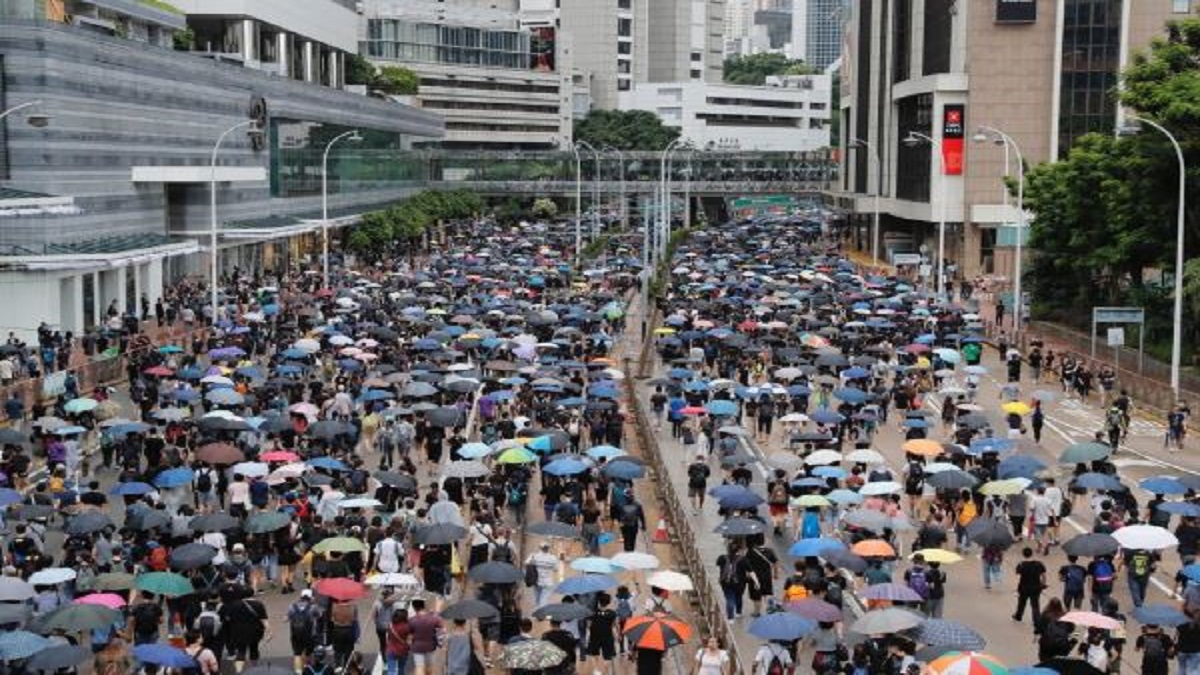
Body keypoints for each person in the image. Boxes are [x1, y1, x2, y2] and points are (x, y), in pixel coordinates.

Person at [287, 589, 322, 672]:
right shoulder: (313, 607)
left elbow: (287, 618)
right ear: (310, 597)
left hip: (295, 633)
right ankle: (307, 669)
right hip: (310, 634)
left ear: (301, 596)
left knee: (297, 654)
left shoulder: (292, 606)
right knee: (308, 653)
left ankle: (298, 671)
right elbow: (319, 615)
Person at [407, 598, 443, 675]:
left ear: (414, 608)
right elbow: (440, 625)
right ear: (424, 606)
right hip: (430, 646)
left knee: (419, 666)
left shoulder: (411, 620)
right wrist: (437, 610)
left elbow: (409, 635)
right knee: (429, 666)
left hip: (417, 647)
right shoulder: (433, 618)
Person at [1013, 546, 1047, 625]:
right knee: (1035, 604)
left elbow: (1017, 575)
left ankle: (1018, 617)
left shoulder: (1021, 564)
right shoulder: (1039, 564)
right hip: (1036, 587)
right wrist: (1043, 584)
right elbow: (1043, 575)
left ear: (1023, 554)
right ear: (1032, 554)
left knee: (1021, 603)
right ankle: (1036, 620)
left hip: (1023, 587)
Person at [525, 542, 558, 608]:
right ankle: (541, 614)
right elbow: (556, 569)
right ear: (548, 549)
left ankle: (538, 614)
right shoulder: (553, 558)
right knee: (544, 599)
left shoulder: (535, 556)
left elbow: (526, 563)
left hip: (537, 581)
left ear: (540, 548)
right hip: (547, 582)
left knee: (537, 599)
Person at [385, 608, 411, 675]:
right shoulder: (406, 627)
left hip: (391, 649)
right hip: (403, 650)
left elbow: (388, 637)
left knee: (391, 670)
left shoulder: (390, 625)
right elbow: (410, 639)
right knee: (401, 668)